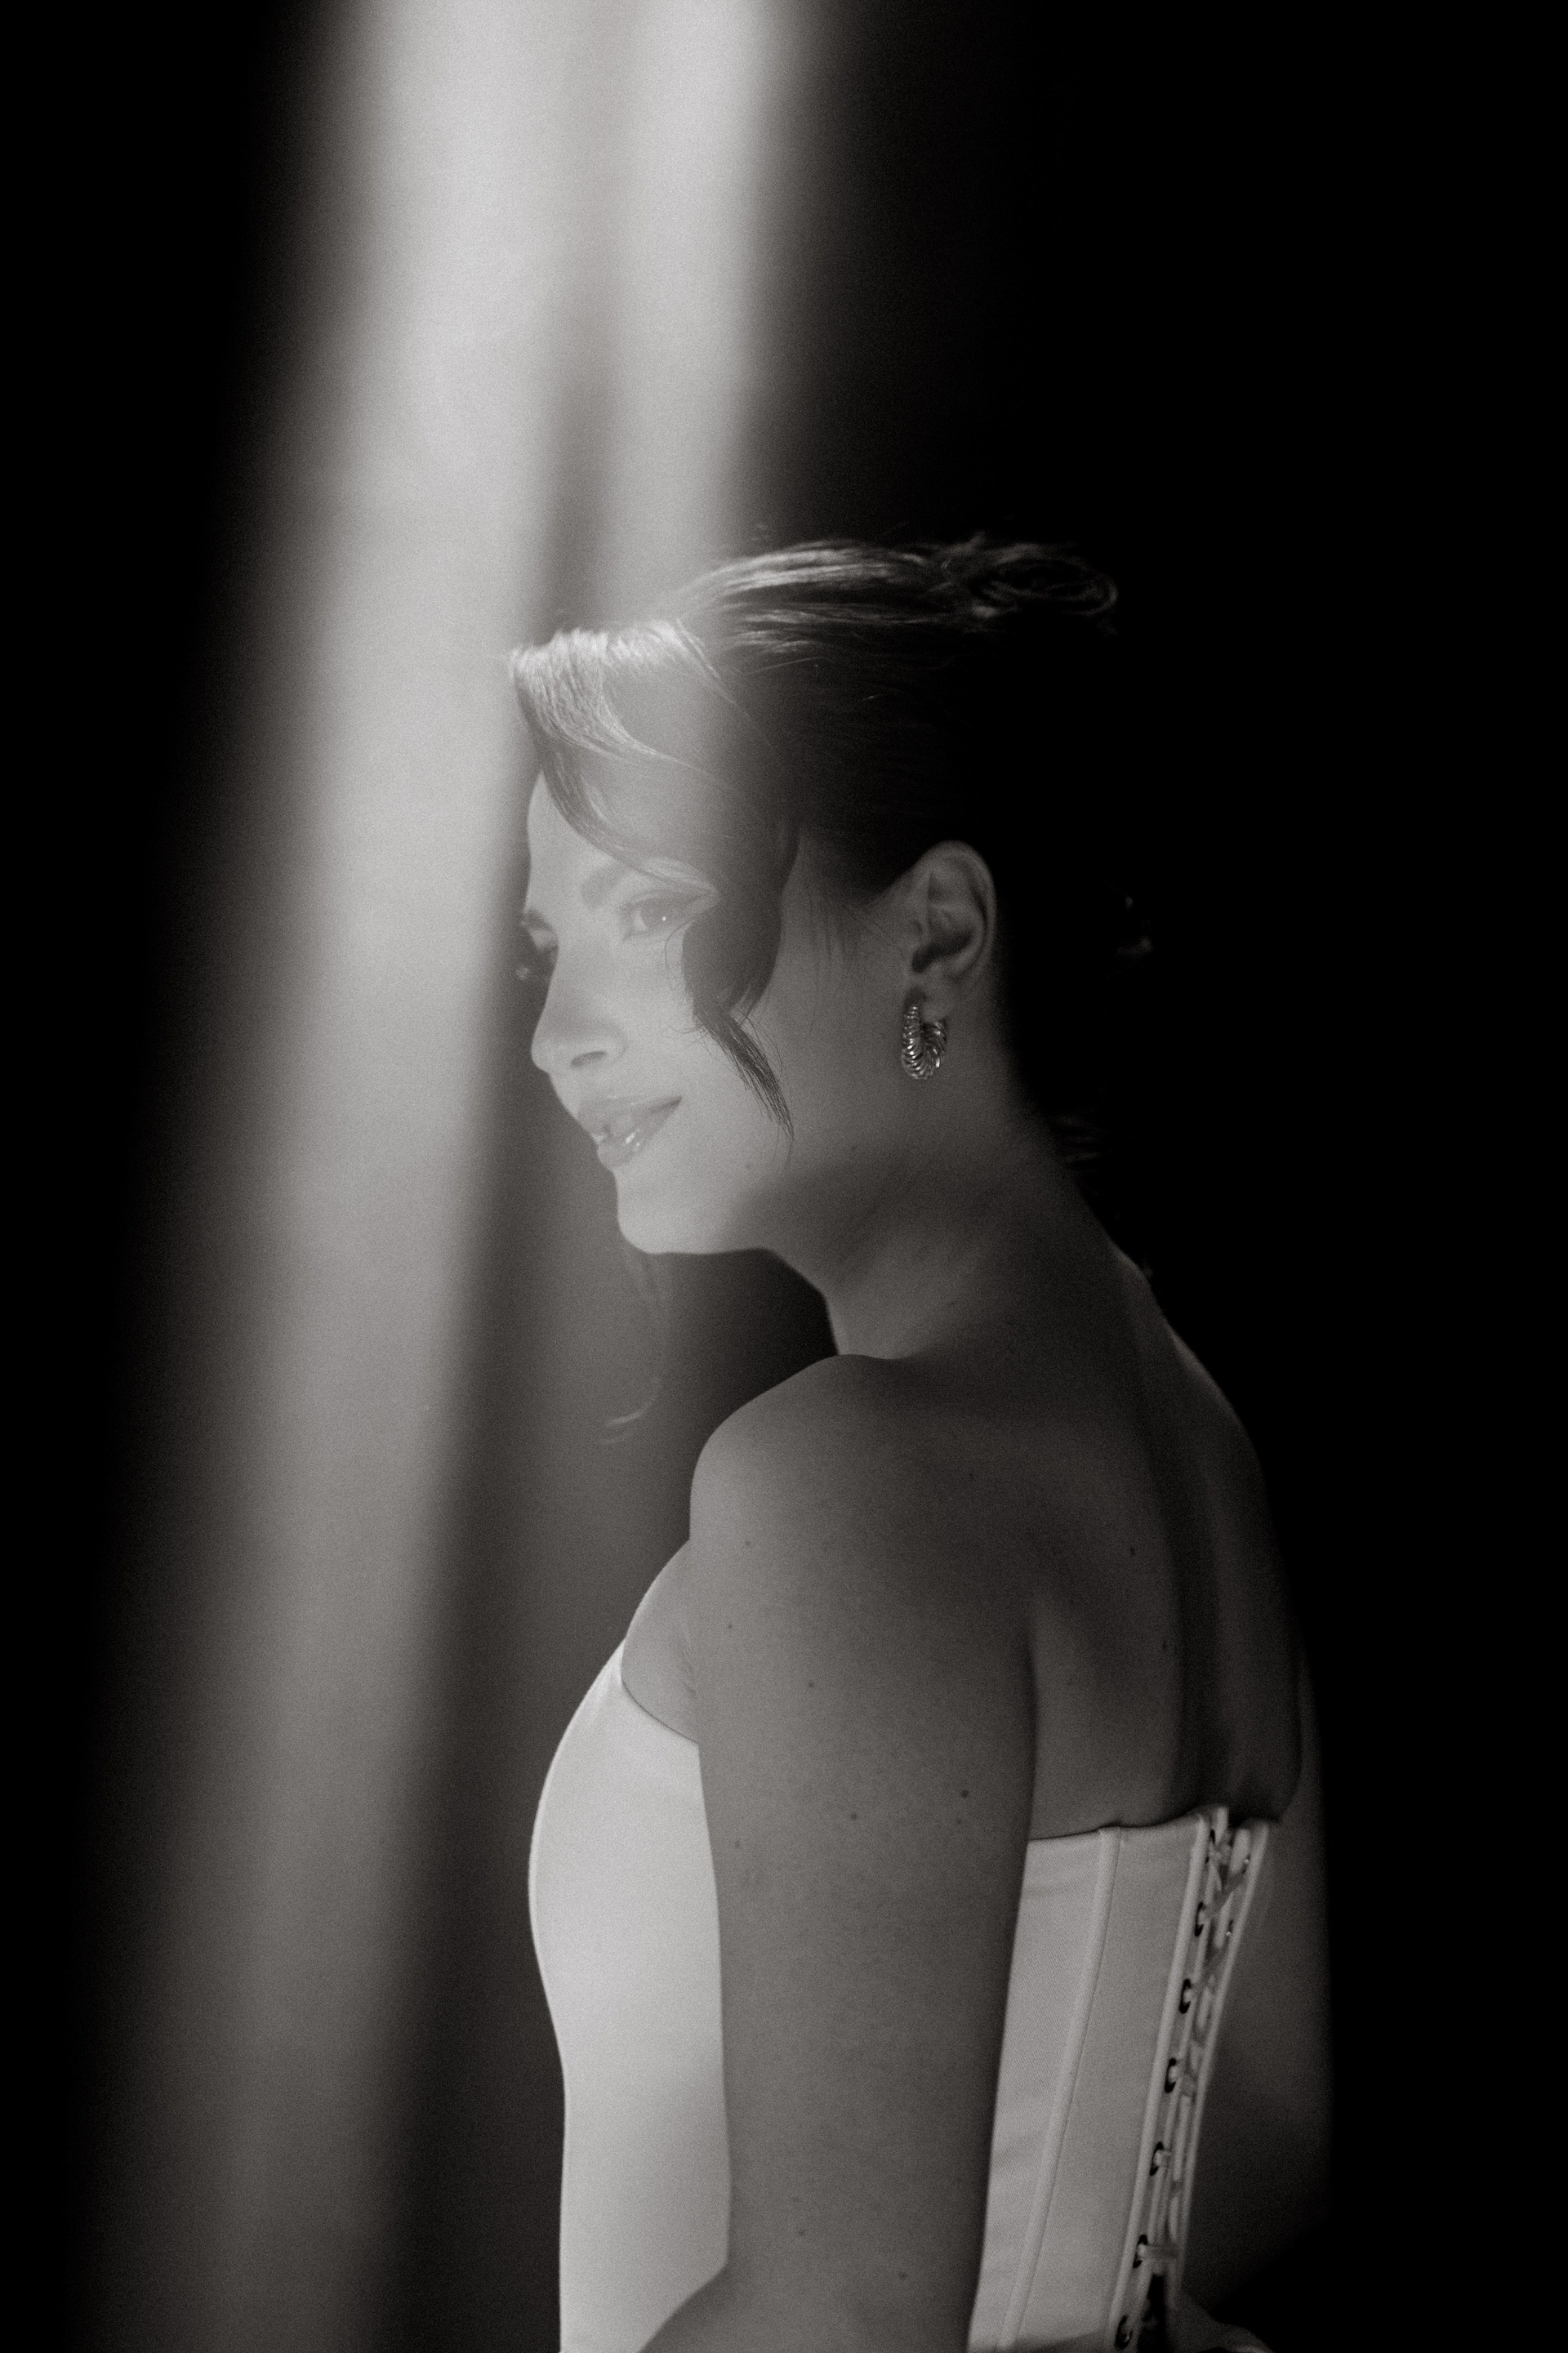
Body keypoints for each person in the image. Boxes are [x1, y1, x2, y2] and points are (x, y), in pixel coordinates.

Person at [515, 542, 1331, 2353]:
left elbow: (843, 2311)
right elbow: (1269, 2134)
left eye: (649, 915)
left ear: (940, 934)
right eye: (553, 948)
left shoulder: (839, 1480)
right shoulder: (1190, 1431)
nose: (561, 1037)